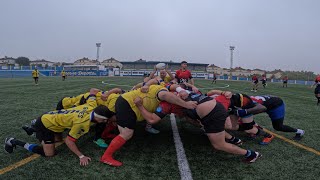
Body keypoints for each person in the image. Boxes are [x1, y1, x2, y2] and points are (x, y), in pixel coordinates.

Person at [134, 90, 262, 163]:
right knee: (207, 128)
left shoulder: (165, 103)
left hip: (212, 112)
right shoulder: (177, 91)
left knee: (218, 144)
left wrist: (139, 105)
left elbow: (152, 119)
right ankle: (235, 140)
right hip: (211, 109)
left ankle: (251, 154)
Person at [100, 84, 197, 167]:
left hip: (127, 100)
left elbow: (173, 86)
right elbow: (152, 118)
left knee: (117, 119)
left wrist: (181, 90)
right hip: (129, 103)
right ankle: (106, 157)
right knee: (127, 133)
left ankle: (105, 134)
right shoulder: (164, 95)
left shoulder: (166, 89)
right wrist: (186, 105)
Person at [5, 95, 115, 166]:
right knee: (49, 153)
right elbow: (69, 141)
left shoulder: (92, 105)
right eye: (104, 120)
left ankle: (32, 130)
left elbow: (91, 94)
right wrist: (81, 156)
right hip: (46, 124)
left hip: (54, 119)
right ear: (98, 117)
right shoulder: (82, 123)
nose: (105, 122)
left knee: (57, 140)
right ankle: (13, 141)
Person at [234, 95, 305, 140]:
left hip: (276, 106)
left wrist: (244, 113)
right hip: (266, 103)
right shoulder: (241, 100)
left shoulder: (249, 103)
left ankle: (300, 131)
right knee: (245, 118)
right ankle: (255, 130)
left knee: (278, 127)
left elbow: (261, 108)